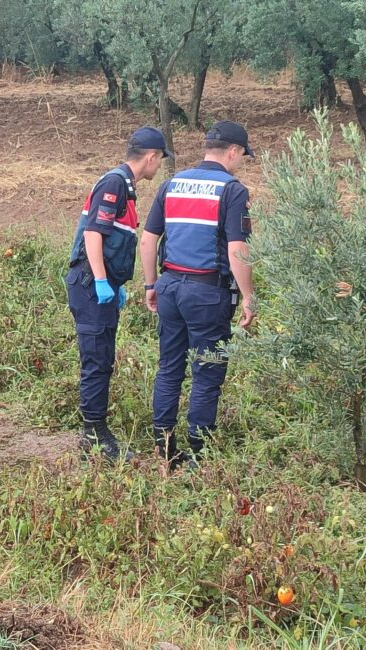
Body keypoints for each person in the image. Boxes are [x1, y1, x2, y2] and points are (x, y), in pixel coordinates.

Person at [139, 120, 257, 470]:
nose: (240, 163)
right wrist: (249, 296)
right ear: (233, 152)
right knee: (207, 372)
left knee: (169, 368)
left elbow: (148, 240)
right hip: (207, 292)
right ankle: (197, 455)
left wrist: (150, 285)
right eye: (241, 156)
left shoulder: (171, 184)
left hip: (170, 287)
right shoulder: (233, 191)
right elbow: (237, 248)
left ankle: (164, 449)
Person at [65, 127, 172, 461]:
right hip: (89, 285)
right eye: (160, 161)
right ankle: (93, 436)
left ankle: (97, 431)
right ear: (152, 157)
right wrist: (100, 280)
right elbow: (94, 235)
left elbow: (113, 242)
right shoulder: (114, 183)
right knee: (96, 360)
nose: (159, 169)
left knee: (103, 358)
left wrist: (116, 284)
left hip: (103, 285)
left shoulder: (126, 187)